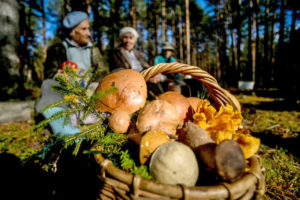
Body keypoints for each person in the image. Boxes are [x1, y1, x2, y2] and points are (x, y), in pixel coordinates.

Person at [35, 11, 108, 135]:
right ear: (71, 32)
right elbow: (49, 73)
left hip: (92, 92)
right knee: (48, 84)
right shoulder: (59, 48)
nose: (88, 33)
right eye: (84, 29)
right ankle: (63, 129)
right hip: (68, 93)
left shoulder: (93, 49)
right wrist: (59, 75)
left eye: (88, 29)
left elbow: (103, 72)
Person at [108, 27, 163, 97]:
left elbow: (146, 66)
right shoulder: (115, 53)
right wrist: (142, 75)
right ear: (121, 39)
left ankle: (161, 99)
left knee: (157, 76)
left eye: (131, 38)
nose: (128, 41)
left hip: (146, 77)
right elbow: (119, 71)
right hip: (129, 80)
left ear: (134, 40)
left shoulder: (139, 54)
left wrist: (155, 73)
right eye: (125, 37)